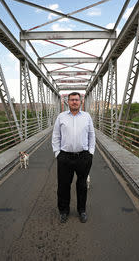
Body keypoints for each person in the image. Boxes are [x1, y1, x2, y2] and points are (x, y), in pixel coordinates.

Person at [52, 92, 95, 223]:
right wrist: (57, 154)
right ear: (68, 102)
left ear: (81, 101)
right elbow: (56, 136)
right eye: (72, 100)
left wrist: (90, 153)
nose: (74, 102)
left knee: (82, 185)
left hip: (83, 156)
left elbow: (92, 136)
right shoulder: (61, 117)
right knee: (63, 186)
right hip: (65, 157)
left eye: (76, 100)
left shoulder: (87, 117)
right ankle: (64, 211)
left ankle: (82, 210)